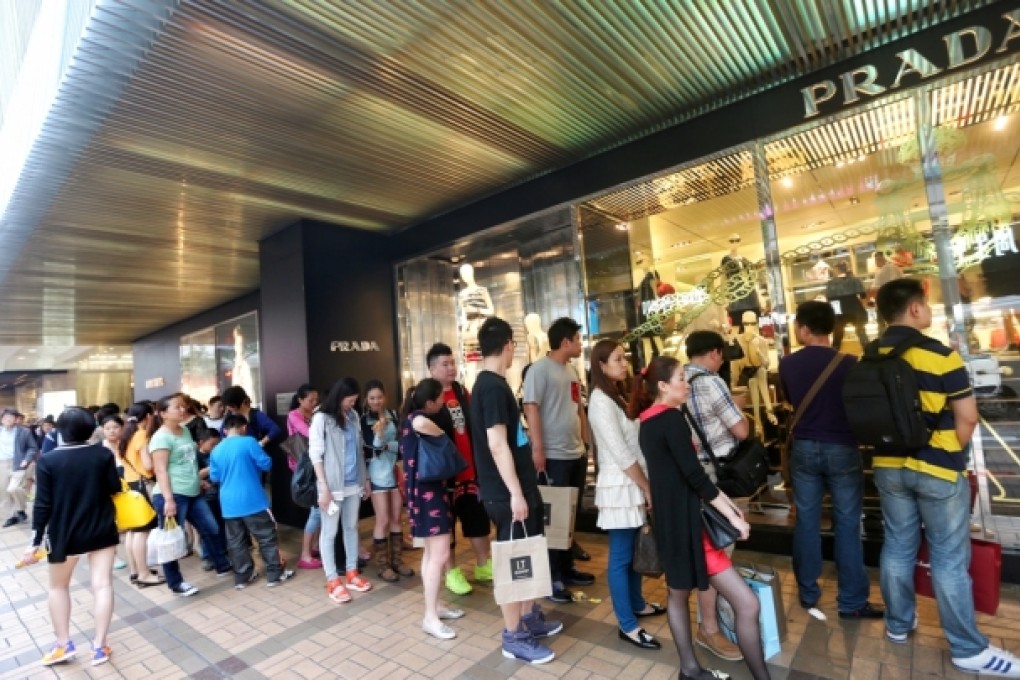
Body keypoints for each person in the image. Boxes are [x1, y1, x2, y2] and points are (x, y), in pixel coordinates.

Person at [873, 279, 1020, 677]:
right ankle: (968, 649)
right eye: (928, 304)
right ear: (915, 310)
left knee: (898, 547)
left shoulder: (869, 357)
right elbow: (968, 417)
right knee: (949, 558)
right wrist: (947, 454)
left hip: (888, 467)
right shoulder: (940, 356)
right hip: (936, 468)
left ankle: (899, 626)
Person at [631, 357, 771, 680]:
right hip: (691, 527)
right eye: (681, 378)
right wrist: (734, 516)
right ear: (663, 386)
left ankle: (690, 669)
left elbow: (677, 478)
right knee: (747, 605)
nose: (687, 383)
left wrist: (730, 510)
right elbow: (696, 478)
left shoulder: (647, 423)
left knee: (677, 594)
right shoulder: (671, 420)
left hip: (670, 524)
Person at [779, 301, 883, 619]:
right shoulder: (851, 362)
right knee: (848, 525)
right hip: (842, 447)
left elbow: (790, 402)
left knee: (807, 523)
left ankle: (809, 595)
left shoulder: (787, 364)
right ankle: (851, 601)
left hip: (806, 447)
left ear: (805, 329)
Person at [469, 316, 563, 665]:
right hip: (507, 494)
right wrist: (516, 493)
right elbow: (497, 444)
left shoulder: (492, 384)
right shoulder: (491, 387)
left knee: (527, 556)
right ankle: (513, 635)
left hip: (515, 490)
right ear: (508, 345)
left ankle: (528, 617)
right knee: (513, 565)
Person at [22, 407, 121, 667]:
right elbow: (114, 487)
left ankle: (63, 644)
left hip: (64, 532)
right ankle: (99, 646)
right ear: (92, 429)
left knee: (57, 587)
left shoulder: (49, 460)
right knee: (102, 585)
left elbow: (42, 504)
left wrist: (33, 543)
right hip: (101, 527)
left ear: (60, 431)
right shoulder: (102, 454)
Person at [588, 339, 664, 650]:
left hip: (631, 483)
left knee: (633, 552)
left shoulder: (616, 396)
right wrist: (646, 485)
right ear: (601, 365)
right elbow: (620, 453)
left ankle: (637, 604)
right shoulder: (600, 401)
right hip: (619, 486)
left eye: (624, 358)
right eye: (618, 359)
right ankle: (627, 625)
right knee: (620, 557)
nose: (624, 363)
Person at [682, 330, 748, 662]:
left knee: (708, 549)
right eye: (721, 355)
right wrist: (741, 409)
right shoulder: (711, 382)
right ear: (714, 353)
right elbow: (741, 430)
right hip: (714, 475)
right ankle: (710, 628)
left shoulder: (676, 381)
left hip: (688, 475)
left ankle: (708, 624)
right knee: (718, 552)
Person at [521, 316, 594, 604]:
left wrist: (586, 442)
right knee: (554, 520)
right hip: (553, 455)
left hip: (574, 452)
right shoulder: (539, 371)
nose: (579, 344)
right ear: (565, 341)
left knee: (569, 516)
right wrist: (538, 449)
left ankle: (566, 569)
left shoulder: (572, 371)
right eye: (577, 339)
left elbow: (579, 409)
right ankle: (551, 578)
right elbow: (531, 408)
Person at [399, 378, 466, 639]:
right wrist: (442, 434)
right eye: (439, 398)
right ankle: (430, 616)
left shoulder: (412, 419)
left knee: (430, 555)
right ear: (429, 402)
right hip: (429, 498)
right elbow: (438, 434)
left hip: (427, 494)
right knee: (438, 557)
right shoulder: (418, 421)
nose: (442, 402)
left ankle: (435, 607)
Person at [148, 393, 232, 596]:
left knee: (210, 528)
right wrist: (168, 499)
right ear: (163, 413)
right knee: (171, 540)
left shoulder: (184, 431)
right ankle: (176, 583)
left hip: (193, 491)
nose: (183, 410)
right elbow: (160, 470)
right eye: (177, 407)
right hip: (173, 494)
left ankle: (222, 566)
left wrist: (198, 480)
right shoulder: (161, 437)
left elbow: (188, 462)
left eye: (183, 407)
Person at [426, 343, 492, 595]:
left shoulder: (462, 392)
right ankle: (451, 572)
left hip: (469, 471)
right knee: (447, 526)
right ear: (431, 369)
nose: (451, 368)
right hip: (443, 476)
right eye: (445, 364)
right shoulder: (425, 397)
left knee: (477, 518)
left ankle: (483, 565)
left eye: (452, 363)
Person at [210, 413, 294, 589]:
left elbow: (215, 476)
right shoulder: (248, 442)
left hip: (229, 504)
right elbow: (266, 464)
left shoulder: (216, 449)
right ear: (244, 427)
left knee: (236, 542)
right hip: (253, 500)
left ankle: (243, 577)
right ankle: (274, 574)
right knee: (266, 537)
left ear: (225, 430)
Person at [310, 377, 372, 604]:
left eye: (354, 401)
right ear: (338, 397)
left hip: (353, 483)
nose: (351, 405)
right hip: (332, 487)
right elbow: (315, 455)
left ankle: (351, 572)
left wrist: (364, 480)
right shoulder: (321, 418)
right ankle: (332, 580)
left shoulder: (354, 416)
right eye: (349, 400)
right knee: (329, 532)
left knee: (351, 527)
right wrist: (323, 488)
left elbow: (359, 451)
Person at [361, 379, 414, 583]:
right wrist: (380, 435)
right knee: (382, 519)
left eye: (379, 397)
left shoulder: (393, 414)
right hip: (377, 473)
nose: (376, 401)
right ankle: (383, 565)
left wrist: (387, 444)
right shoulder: (364, 420)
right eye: (372, 398)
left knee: (396, 518)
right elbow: (371, 448)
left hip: (394, 471)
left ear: (385, 397)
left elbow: (402, 444)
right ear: (366, 399)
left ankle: (397, 561)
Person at [118, 403, 163, 587]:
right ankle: (144, 574)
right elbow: (148, 464)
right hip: (142, 485)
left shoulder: (125, 436)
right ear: (147, 416)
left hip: (129, 484)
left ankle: (135, 571)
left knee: (133, 531)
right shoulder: (141, 435)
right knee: (142, 532)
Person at [288, 385, 323, 570]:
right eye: (310, 400)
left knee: (316, 508)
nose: (314, 403)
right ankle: (306, 554)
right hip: (304, 469)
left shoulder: (315, 414)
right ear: (300, 400)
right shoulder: (294, 415)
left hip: (315, 465)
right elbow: (309, 433)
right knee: (315, 509)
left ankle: (315, 546)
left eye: (316, 400)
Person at [99, 415, 129, 571]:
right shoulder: (100, 449)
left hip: (129, 489)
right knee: (111, 523)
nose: (111, 431)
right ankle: (114, 556)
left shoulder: (127, 445)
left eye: (115, 427)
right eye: (107, 428)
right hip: (109, 491)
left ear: (122, 428)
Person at [1, 407, 38, 527]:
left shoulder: (24, 432)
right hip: (2, 463)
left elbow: (33, 447)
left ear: (16, 420)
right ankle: (10, 516)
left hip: (17, 463)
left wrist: (26, 459)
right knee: (3, 492)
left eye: (10, 418)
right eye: (5, 417)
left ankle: (21, 509)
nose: (7, 420)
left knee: (13, 489)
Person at [825, 260, 869, 351]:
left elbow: (828, 298)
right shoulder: (855, 280)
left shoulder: (831, 283)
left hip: (838, 309)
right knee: (860, 331)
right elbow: (863, 295)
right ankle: (868, 351)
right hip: (854, 308)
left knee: (837, 333)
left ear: (836, 270)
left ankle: (834, 353)